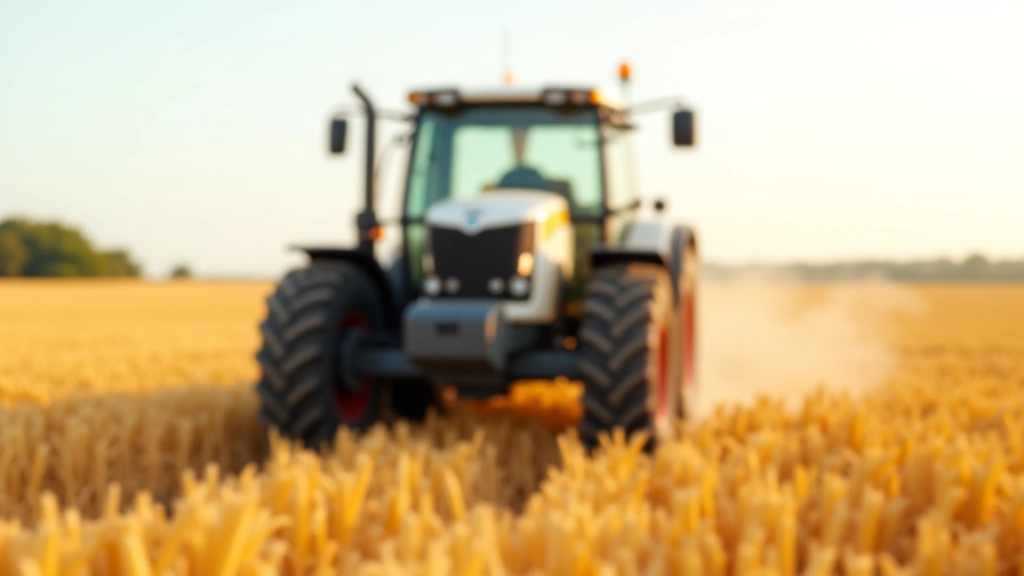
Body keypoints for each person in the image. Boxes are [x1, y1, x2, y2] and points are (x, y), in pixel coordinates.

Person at [496, 127, 549, 191]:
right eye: (516, 140)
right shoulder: (506, 180)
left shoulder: (535, 179)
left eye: (521, 139)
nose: (519, 144)